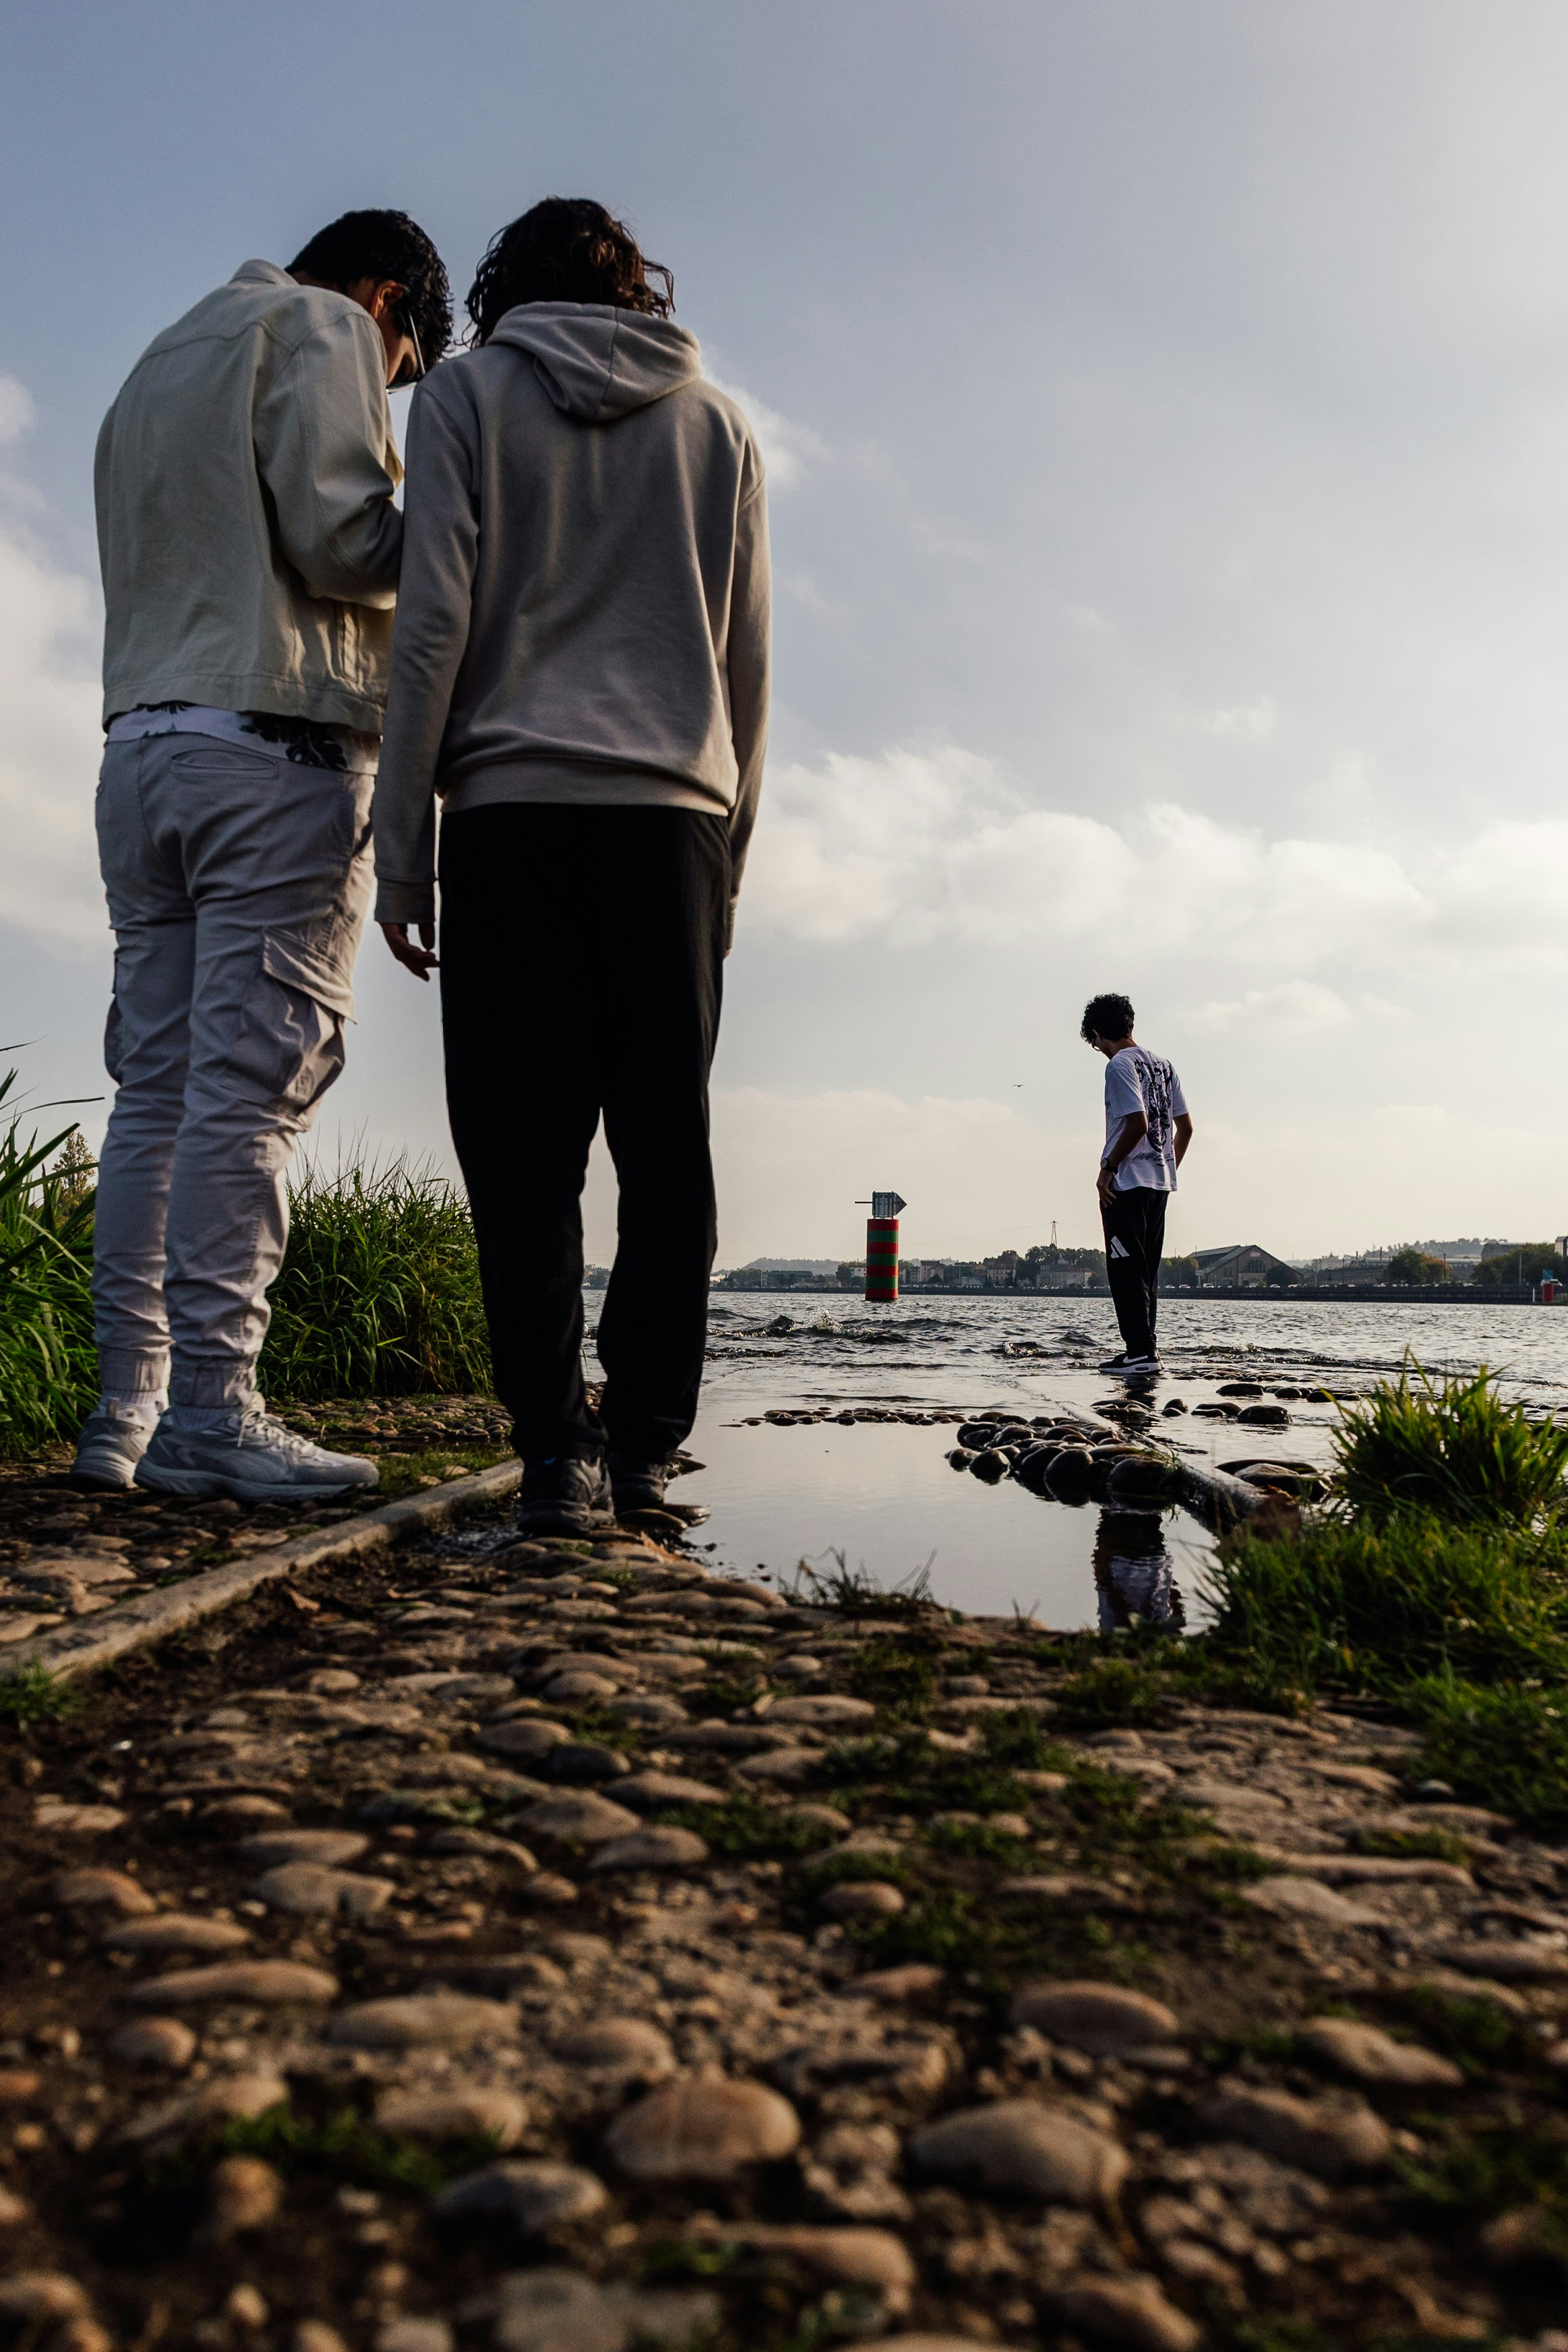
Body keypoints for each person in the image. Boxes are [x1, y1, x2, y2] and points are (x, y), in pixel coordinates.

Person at [373, 197, 770, 1538]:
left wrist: (403, 839)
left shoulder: (467, 396)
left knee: (521, 1157)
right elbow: (745, 660)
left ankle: (555, 1457)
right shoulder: (716, 423)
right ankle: (647, 1444)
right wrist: (731, 853)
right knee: (669, 1153)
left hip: (508, 812)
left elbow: (430, 622)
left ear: (504, 290)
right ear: (635, 290)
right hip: (674, 818)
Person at [73, 212, 452, 1501]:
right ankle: (216, 1413)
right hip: (273, 748)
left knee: (158, 1092)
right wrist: (462, 545)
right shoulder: (327, 325)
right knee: (251, 1094)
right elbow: (346, 538)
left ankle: (124, 1410)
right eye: (404, 371)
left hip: (143, 747)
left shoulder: (161, 356)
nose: (388, 383)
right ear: (388, 299)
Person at [1081, 991, 1193, 1373]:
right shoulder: (1164, 1065)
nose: (1098, 1050)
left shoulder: (1119, 1065)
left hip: (1126, 1184)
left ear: (1097, 1034)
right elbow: (1186, 1127)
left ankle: (1141, 1354)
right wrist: (1164, 1165)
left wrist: (1108, 1168)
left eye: (1094, 1043)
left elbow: (1137, 1123)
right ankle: (1146, 1351)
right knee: (1147, 1271)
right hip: (1159, 1183)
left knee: (1125, 1268)